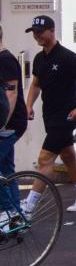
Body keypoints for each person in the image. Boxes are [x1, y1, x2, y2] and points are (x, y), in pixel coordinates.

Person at [21, 16, 76, 214]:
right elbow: (36, 85)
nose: (37, 36)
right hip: (50, 115)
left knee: (44, 160)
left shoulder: (67, 57)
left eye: (40, 32)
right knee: (68, 156)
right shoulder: (40, 59)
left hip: (66, 117)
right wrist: (28, 105)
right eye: (34, 33)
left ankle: (29, 205)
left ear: (52, 31)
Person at [1, 24, 29, 220]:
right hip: (6, 123)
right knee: (6, 169)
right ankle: (16, 216)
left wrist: (1, 125)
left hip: (10, 124)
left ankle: (7, 213)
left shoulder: (6, 60)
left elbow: (11, 94)